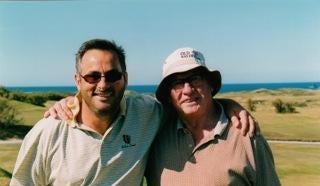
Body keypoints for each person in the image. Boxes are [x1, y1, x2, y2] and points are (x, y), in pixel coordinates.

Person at [11, 39, 257, 185]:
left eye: (113, 75)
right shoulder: (48, 131)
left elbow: (188, 101)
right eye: (92, 76)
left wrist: (226, 105)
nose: (103, 84)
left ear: (125, 79)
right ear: (78, 81)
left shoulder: (147, 113)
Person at [145, 47, 280, 185]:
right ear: (169, 95)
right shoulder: (155, 136)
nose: (187, 90)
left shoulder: (246, 135)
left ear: (210, 84)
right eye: (177, 83)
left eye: (195, 79)